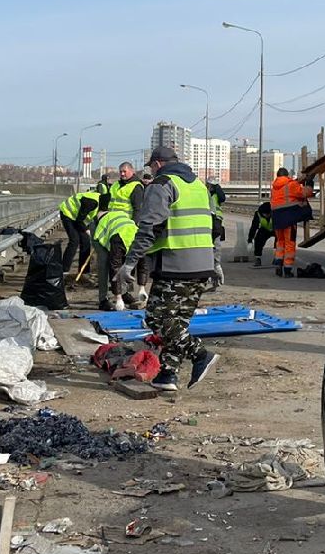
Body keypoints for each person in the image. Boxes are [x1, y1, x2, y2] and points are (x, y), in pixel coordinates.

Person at [118, 146, 218, 393]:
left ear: (158, 164)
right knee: (178, 323)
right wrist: (215, 262)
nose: (151, 172)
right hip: (202, 264)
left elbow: (149, 228)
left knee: (156, 317)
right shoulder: (199, 186)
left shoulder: (162, 184)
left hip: (175, 263)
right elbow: (215, 226)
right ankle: (167, 374)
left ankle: (200, 354)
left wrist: (129, 263)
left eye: (151, 167)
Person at [93, 207, 139, 312]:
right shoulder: (120, 239)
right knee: (105, 263)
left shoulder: (138, 238)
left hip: (115, 227)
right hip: (99, 228)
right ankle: (103, 300)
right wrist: (118, 298)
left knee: (123, 264)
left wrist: (142, 288)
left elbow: (139, 264)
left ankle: (124, 293)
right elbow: (115, 266)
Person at [270, 167, 310, 279]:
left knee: (280, 242)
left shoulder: (274, 187)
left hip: (277, 219)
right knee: (289, 243)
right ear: (287, 176)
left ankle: (278, 263)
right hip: (289, 219)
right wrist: (310, 184)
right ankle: (287, 269)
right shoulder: (291, 184)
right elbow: (305, 193)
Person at [57, 186, 100, 279]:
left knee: (86, 241)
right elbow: (79, 220)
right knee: (74, 240)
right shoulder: (92, 202)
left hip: (77, 217)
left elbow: (93, 218)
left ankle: (84, 272)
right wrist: (87, 231)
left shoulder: (100, 202)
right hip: (68, 213)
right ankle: (64, 270)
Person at [206, 178, 228, 291]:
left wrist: (216, 186)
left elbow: (222, 198)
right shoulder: (205, 193)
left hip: (215, 222)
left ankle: (215, 271)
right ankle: (211, 275)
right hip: (209, 221)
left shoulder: (216, 195)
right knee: (210, 250)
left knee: (215, 248)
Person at [250, 199, 275, 267]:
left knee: (280, 242)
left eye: (268, 214)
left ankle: (278, 258)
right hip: (264, 229)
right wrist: (250, 239)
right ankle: (258, 258)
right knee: (258, 239)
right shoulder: (258, 214)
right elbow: (254, 227)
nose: (266, 216)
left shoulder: (276, 212)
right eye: (265, 214)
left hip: (276, 229)